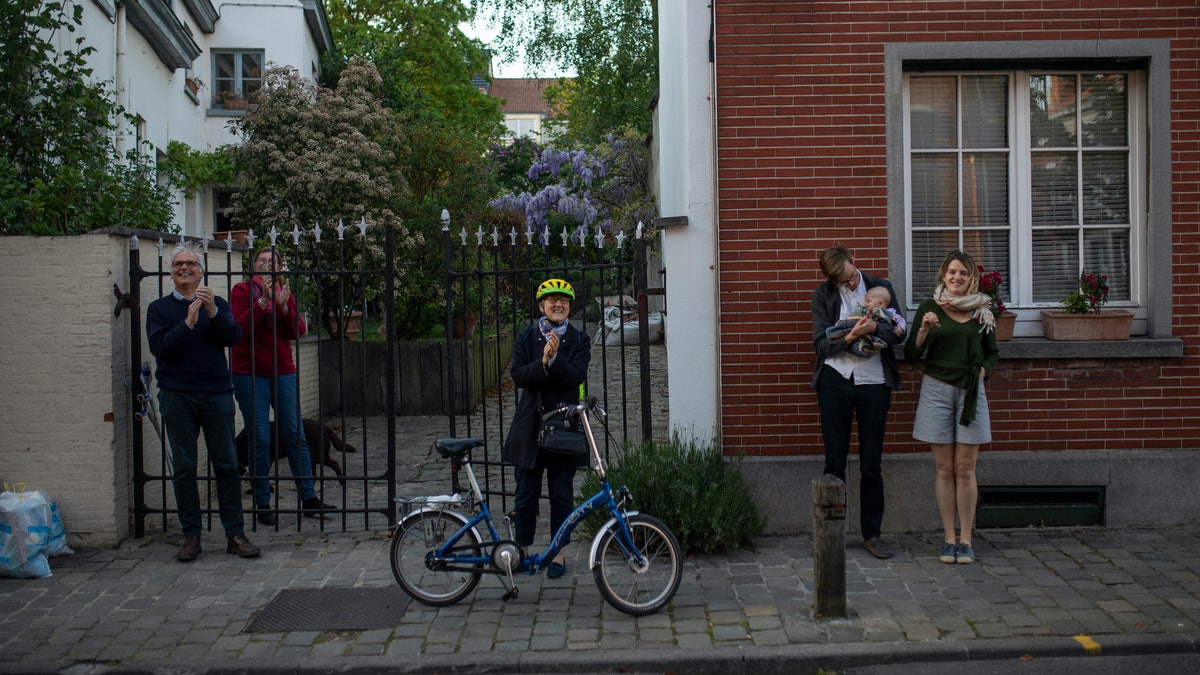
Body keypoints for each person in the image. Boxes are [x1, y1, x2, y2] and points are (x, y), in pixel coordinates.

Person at [146, 241, 260, 562]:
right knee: (184, 468)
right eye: (179, 264)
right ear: (171, 273)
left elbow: (234, 337)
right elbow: (161, 349)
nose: (185, 268)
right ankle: (191, 536)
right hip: (177, 396)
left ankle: (234, 534)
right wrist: (187, 324)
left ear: (201, 272)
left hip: (216, 395)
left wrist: (211, 313)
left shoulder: (217, 304)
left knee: (226, 465)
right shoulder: (159, 309)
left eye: (191, 264)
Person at [904, 250, 999, 565]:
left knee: (966, 468)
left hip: (971, 391)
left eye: (963, 273)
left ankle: (966, 541)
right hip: (936, 391)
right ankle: (948, 539)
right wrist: (924, 330)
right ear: (943, 275)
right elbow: (911, 356)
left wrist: (983, 370)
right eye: (952, 272)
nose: (957, 277)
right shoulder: (930, 308)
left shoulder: (982, 310)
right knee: (944, 469)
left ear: (971, 278)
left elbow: (992, 353)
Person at [812, 243, 904, 559]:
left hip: (874, 383)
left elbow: (899, 333)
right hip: (835, 381)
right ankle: (831, 534)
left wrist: (876, 326)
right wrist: (850, 337)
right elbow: (822, 347)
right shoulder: (823, 295)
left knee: (871, 463)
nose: (849, 284)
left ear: (855, 261)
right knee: (834, 462)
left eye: (851, 277)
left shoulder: (883, 289)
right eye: (842, 282)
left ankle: (872, 534)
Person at [230, 247, 335, 526]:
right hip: (249, 374)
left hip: (283, 372)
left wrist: (285, 308)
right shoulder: (241, 291)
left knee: (294, 433)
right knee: (260, 437)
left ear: (280, 268)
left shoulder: (283, 292)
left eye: (272, 261)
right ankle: (262, 502)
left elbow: (298, 331)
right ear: (253, 267)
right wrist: (263, 303)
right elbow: (238, 329)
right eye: (262, 261)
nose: (267, 264)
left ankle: (308, 497)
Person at [502, 278, 591, 579]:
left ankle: (558, 553)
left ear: (569, 306)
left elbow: (576, 377)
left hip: (563, 426)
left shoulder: (579, 340)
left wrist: (555, 361)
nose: (558, 304)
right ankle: (522, 550)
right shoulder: (526, 337)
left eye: (563, 300)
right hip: (530, 428)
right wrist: (542, 363)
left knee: (561, 495)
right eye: (551, 300)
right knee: (525, 495)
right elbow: (518, 376)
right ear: (541, 306)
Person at [824, 286, 907, 357]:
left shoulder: (891, 312)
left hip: (875, 336)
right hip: (861, 328)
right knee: (853, 323)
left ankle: (839, 331)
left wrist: (901, 328)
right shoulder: (867, 310)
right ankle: (838, 330)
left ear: (881, 303)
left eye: (868, 301)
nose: (865, 304)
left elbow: (901, 321)